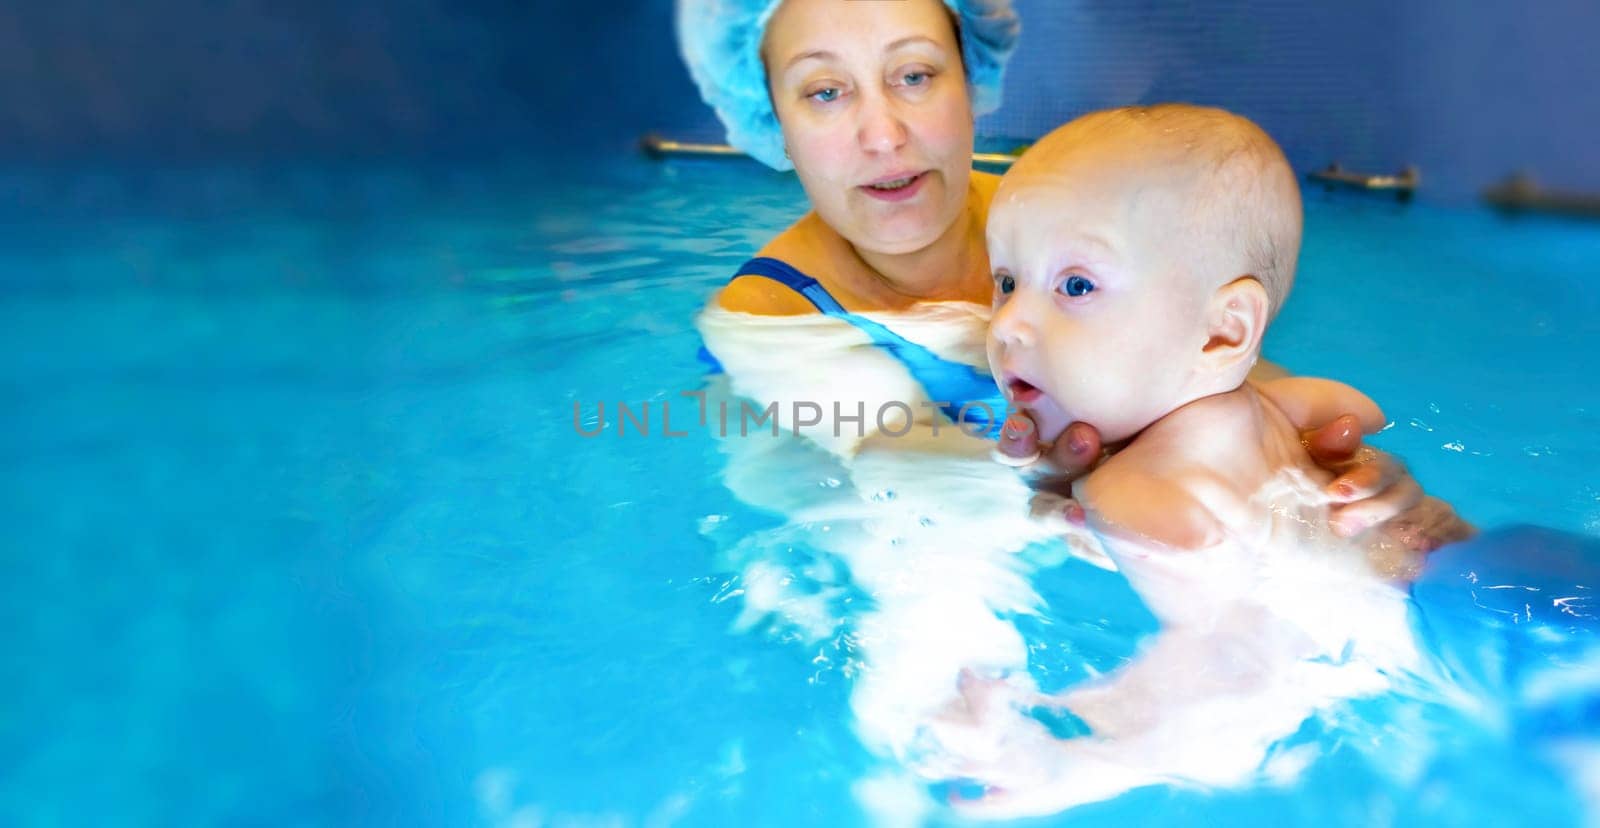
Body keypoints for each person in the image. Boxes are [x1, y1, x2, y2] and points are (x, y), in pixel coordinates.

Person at [678, 0, 1466, 545]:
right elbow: (887, 499)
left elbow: (1217, 372)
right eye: (824, 91)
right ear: (773, 118)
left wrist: (1327, 480)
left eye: (914, 75)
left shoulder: (1072, 208)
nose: (883, 134)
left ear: (970, 78)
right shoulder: (769, 324)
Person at [940, 104, 1436, 817]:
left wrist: (1080, 766)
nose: (1010, 323)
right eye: (1007, 281)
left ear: (1223, 331)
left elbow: (1240, 663)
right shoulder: (1288, 408)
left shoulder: (1136, 492)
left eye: (1075, 286)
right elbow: (1358, 410)